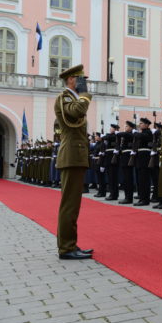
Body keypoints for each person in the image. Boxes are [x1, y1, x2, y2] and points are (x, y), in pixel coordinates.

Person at [53, 64, 94, 260]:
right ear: (72, 80)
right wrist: (85, 95)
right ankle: (67, 248)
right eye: (81, 79)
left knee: (73, 204)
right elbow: (76, 112)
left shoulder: (72, 98)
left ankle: (71, 244)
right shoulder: (65, 98)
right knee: (69, 204)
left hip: (75, 155)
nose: (83, 83)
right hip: (71, 155)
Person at [133, 118, 153, 206]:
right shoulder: (141, 133)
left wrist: (136, 133)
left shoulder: (148, 132)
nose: (140, 125)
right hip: (140, 157)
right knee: (140, 180)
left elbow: (141, 136)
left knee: (144, 180)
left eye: (141, 123)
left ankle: (145, 199)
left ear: (146, 125)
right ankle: (142, 197)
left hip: (145, 158)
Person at [117, 121, 136, 204]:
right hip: (124, 158)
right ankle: (126, 196)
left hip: (128, 157)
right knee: (125, 179)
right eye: (125, 127)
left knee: (128, 179)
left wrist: (119, 133)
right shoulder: (125, 135)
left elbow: (124, 134)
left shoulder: (131, 134)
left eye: (127, 127)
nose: (125, 128)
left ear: (131, 128)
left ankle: (129, 198)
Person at [102, 124, 120, 200]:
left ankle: (114, 194)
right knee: (110, 177)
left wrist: (104, 136)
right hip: (109, 158)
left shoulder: (115, 136)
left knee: (113, 178)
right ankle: (112, 193)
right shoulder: (111, 135)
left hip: (113, 159)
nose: (110, 129)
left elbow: (105, 137)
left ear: (115, 129)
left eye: (111, 128)